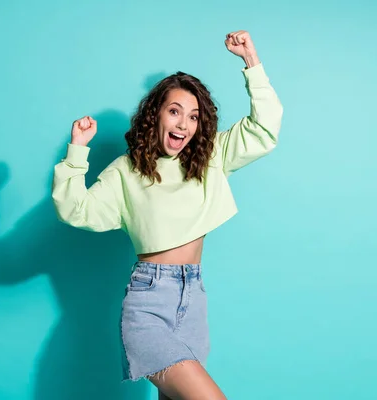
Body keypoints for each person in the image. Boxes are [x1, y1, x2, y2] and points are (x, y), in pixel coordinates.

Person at [52, 30, 283, 400]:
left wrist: (251, 62)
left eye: (193, 117)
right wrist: (77, 152)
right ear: (155, 113)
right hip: (149, 302)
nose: (183, 124)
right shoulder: (125, 171)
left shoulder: (211, 157)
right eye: (174, 111)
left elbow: (264, 129)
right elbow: (75, 210)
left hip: (193, 300)